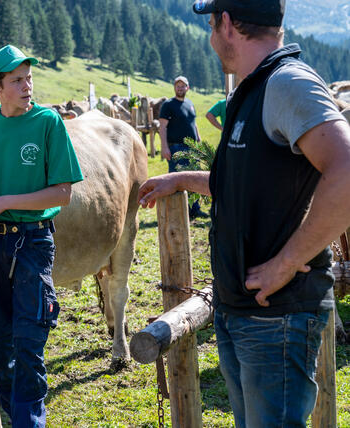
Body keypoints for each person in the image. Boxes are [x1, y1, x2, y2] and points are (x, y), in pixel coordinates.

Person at [139, 1, 350, 426]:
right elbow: (243, 184)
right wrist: (181, 180)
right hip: (243, 311)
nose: (211, 33)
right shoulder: (253, 90)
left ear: (228, 24)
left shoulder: (287, 83)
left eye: (212, 22)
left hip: (278, 316)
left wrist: (288, 262)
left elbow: (347, 168)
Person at [0, 44, 83, 428]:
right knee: (0, 343)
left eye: (29, 78)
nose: (27, 86)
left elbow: (62, 193)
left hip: (33, 241)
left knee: (30, 342)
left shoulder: (48, 123)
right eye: (16, 80)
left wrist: (2, 202)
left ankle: (30, 422)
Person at [158, 75, 207, 218]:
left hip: (192, 148)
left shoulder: (190, 104)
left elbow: (193, 123)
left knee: (195, 179)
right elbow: (162, 127)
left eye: (182, 85)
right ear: (174, 88)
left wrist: (198, 139)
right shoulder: (168, 105)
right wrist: (164, 147)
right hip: (176, 148)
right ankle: (178, 211)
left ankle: (194, 209)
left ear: (188, 88)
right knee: (176, 181)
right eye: (177, 86)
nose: (180, 88)